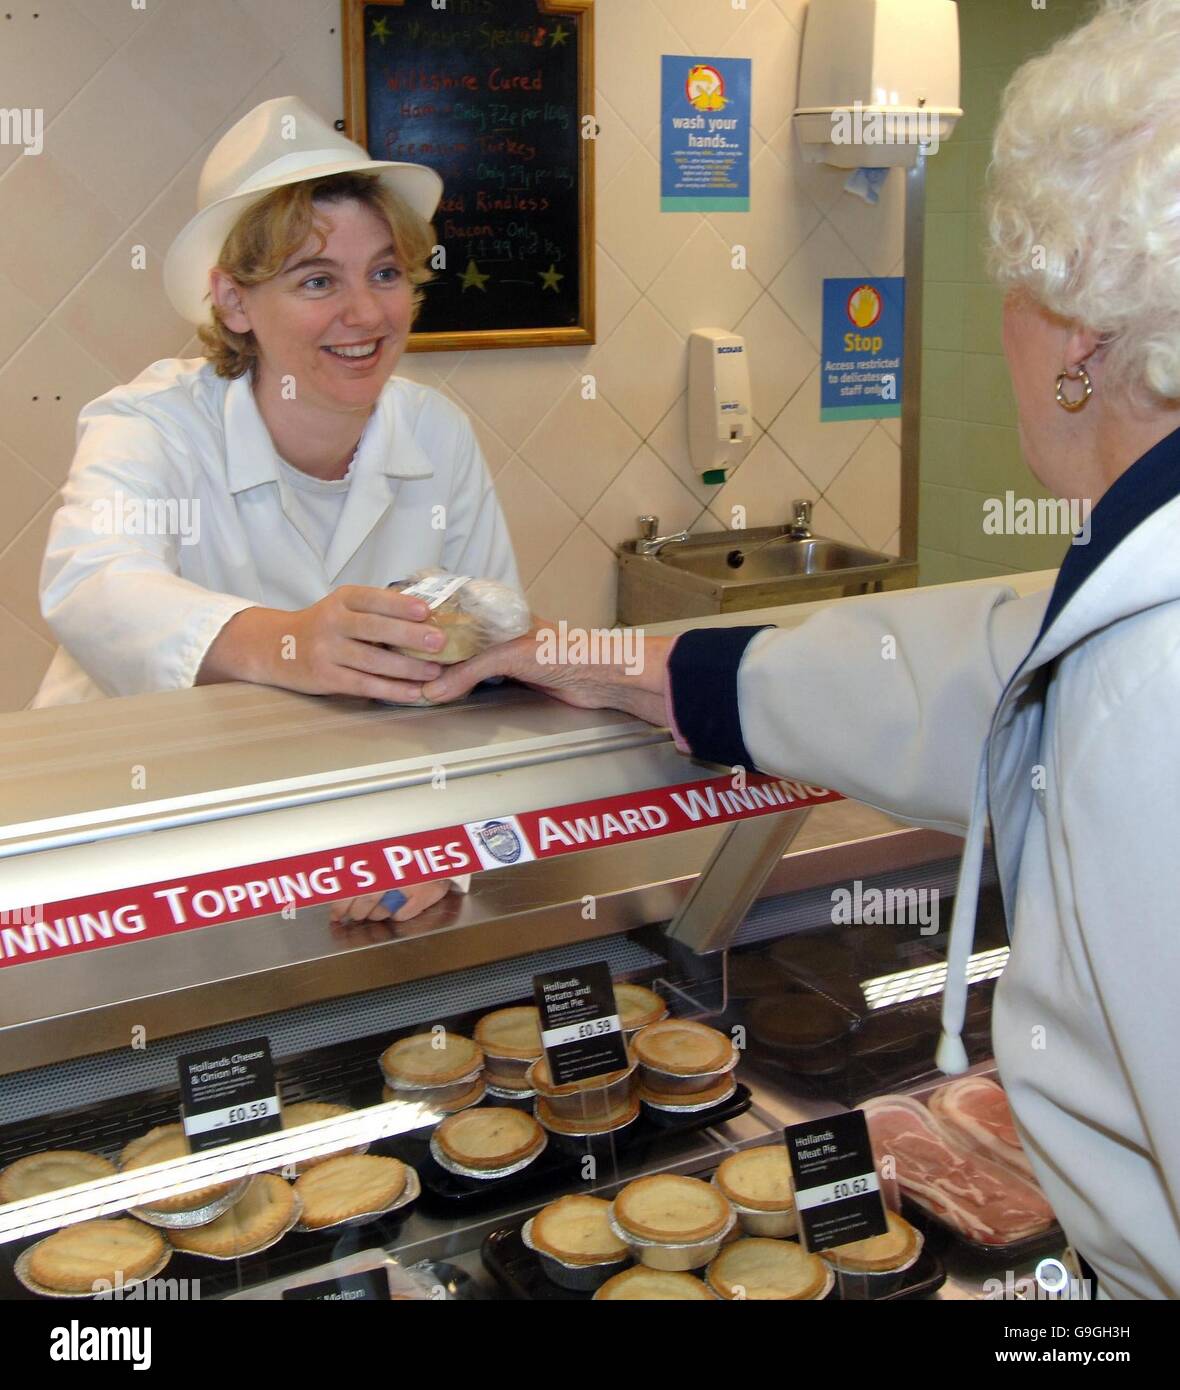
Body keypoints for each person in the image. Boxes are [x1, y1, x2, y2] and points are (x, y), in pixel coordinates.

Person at [422, 0, 1180, 1299]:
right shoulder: (1136, 587)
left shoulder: (1154, 675)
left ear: (1077, 342)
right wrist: (626, 665)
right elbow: (975, 677)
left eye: (1011, 290)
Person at [35, 97, 521, 926]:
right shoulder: (149, 424)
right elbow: (94, 583)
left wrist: (446, 849)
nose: (365, 314)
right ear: (232, 302)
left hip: (343, 842)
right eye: (317, 280)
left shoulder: (436, 432)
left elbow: (492, 654)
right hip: (133, 853)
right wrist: (292, 641)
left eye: (386, 273)